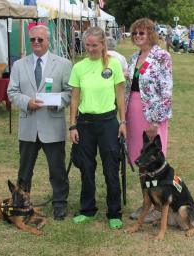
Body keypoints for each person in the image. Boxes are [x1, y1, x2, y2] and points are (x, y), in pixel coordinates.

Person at [7, 25, 72, 220]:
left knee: (57, 169)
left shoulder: (63, 64)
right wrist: (27, 102)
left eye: (40, 40)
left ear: (48, 41)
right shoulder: (19, 65)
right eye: (32, 39)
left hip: (52, 125)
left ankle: (60, 204)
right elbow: (12, 92)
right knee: (25, 170)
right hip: (28, 127)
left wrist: (57, 103)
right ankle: (21, 203)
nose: (36, 42)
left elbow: (70, 92)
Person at [68, 26, 126, 229]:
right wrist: (72, 125)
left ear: (103, 45)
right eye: (87, 45)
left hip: (109, 122)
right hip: (85, 123)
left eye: (95, 45)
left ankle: (114, 212)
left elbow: (120, 96)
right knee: (86, 168)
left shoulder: (114, 65)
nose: (91, 49)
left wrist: (123, 122)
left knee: (111, 168)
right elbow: (74, 98)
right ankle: (87, 209)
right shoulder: (78, 67)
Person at [125, 18, 173, 221]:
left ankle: (158, 205)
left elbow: (166, 90)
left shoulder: (162, 56)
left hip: (152, 114)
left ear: (151, 34)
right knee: (140, 159)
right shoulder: (133, 57)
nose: (137, 36)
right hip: (132, 112)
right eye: (135, 33)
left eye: (141, 33)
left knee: (154, 159)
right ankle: (146, 202)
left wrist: (156, 120)